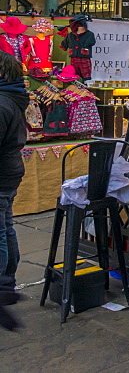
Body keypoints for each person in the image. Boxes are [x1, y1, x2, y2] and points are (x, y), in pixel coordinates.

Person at [0, 50, 28, 321]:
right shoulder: (12, 97)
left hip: (3, 173)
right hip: (10, 171)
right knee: (6, 226)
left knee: (1, 230)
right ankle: (7, 283)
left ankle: (3, 286)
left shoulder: (2, 102)